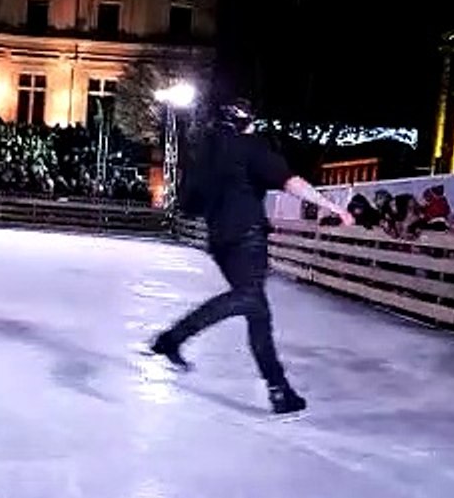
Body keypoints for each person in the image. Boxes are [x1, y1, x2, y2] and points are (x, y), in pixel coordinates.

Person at [146, 109, 353, 415]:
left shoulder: (204, 157)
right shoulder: (250, 146)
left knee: (258, 311)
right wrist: (331, 206)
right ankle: (172, 338)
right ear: (245, 124)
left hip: (219, 241)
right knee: (248, 298)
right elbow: (290, 182)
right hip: (247, 237)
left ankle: (279, 390)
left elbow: (188, 203)